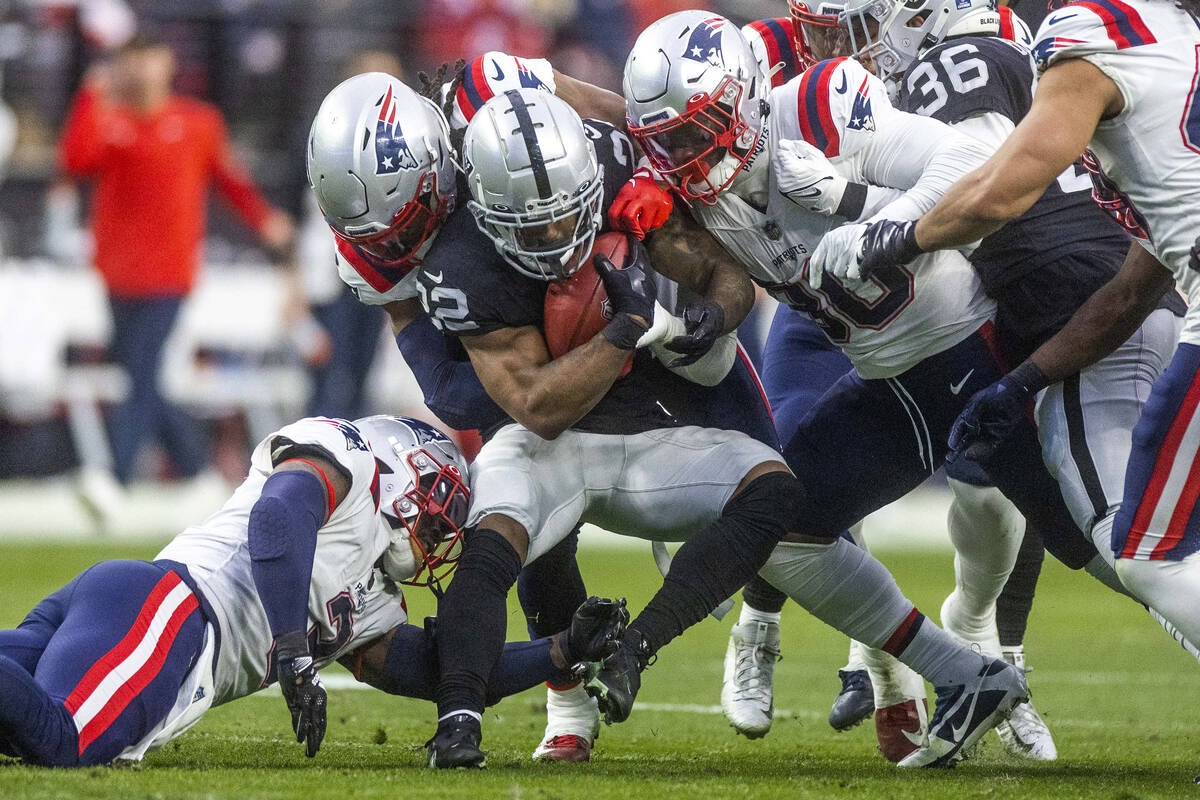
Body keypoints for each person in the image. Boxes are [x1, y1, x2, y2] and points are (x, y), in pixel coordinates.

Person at [419, 78, 1022, 770]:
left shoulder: (638, 165)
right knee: (501, 529)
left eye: (570, 214)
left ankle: (946, 670)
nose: (557, 236)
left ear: (593, 175)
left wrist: (709, 314)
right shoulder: (461, 260)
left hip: (675, 419)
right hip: (554, 436)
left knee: (778, 503)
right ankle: (474, 720)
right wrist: (625, 326)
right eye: (534, 226)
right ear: (486, 212)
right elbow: (531, 405)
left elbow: (723, 274)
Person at [619, 10, 1103, 766]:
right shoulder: (695, 193)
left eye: (696, 129)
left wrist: (855, 207)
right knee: (777, 527)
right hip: (890, 386)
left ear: (742, 96)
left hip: (976, 354)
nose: (685, 154)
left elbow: (969, 167)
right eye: (668, 140)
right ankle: (962, 675)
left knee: (1109, 546)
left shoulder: (822, 101)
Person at [308, 58, 778, 764]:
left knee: (776, 474)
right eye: (377, 238)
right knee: (518, 490)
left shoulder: (491, 94)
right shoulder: (389, 248)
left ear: (438, 166)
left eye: (404, 225)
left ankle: (815, 640)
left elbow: (626, 119)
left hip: (604, 257)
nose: (394, 248)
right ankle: (568, 700)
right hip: (508, 330)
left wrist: (650, 174)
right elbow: (448, 386)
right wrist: (534, 359)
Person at [816, 0, 1200, 650]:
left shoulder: (1083, 34)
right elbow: (1134, 284)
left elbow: (1000, 185)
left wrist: (898, 239)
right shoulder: (1176, 35)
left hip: (1104, 304)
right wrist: (1022, 382)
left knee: (1145, 552)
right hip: (1154, 306)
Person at [0, 413, 628, 767]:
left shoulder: (377, 591)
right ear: (410, 473)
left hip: (138, 609)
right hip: (175, 609)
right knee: (65, 741)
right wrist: (293, 651)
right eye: (439, 514)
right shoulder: (351, 463)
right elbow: (279, 515)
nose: (439, 536)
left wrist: (561, 648)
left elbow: (438, 668)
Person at [57, 33, 295, 488]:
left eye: (151, 59)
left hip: (170, 274)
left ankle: (113, 476)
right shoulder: (111, 120)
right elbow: (75, 159)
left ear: (167, 63)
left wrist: (264, 218)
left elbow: (229, 180)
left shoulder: (197, 122)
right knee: (139, 375)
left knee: (141, 371)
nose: (144, 70)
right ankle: (195, 467)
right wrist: (91, 93)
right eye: (135, 61)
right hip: (116, 273)